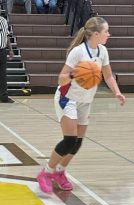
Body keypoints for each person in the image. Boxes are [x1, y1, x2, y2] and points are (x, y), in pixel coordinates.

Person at [36, 17, 126, 194]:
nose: (109, 34)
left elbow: (107, 76)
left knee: (77, 143)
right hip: (67, 98)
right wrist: (75, 74)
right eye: (106, 31)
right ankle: (46, 173)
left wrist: (117, 92)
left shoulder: (103, 51)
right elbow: (61, 79)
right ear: (96, 34)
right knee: (69, 139)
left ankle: (60, 172)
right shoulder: (77, 52)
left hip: (86, 100)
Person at [0, 16, 14, 103]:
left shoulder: (4, 20)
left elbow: (7, 35)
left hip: (2, 51)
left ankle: (4, 97)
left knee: (3, 75)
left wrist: (11, 49)